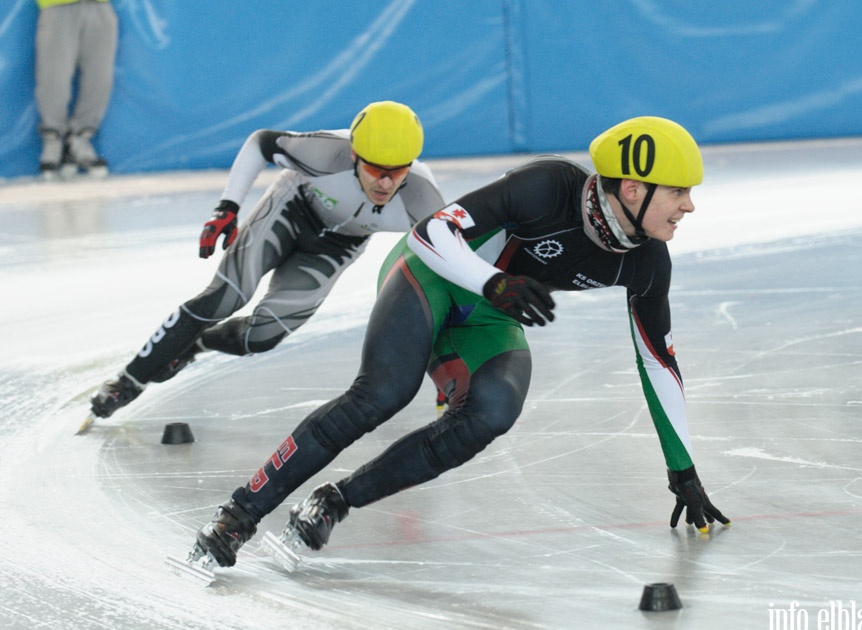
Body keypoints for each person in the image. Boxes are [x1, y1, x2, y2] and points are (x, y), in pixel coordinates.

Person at [189, 115, 732, 570]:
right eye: (679, 192)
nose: (689, 207)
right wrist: (492, 281)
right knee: (382, 394)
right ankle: (238, 515)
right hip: (431, 274)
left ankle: (334, 501)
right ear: (633, 189)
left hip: (491, 306)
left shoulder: (646, 262)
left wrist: (682, 468)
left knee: (492, 411)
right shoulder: (549, 188)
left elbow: (657, 361)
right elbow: (430, 234)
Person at [87, 101, 444, 423]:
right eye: (374, 169)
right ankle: (127, 381)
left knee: (263, 336)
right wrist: (227, 206)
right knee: (225, 297)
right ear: (353, 155)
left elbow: (448, 267)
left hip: (337, 247)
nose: (384, 183)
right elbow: (261, 142)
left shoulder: (422, 197)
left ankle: (195, 344)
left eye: (397, 172)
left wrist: (444, 363)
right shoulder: (324, 153)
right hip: (291, 208)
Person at [34, 0, 118, 180]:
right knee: (54, 75)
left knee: (100, 76)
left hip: (100, 6)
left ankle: (80, 140)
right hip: (57, 6)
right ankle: (53, 139)